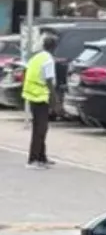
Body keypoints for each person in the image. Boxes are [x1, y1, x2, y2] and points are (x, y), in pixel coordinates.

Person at [22, 30, 58, 168]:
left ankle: (42, 157)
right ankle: (33, 160)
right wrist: (55, 102)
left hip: (31, 95)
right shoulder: (48, 60)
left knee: (40, 128)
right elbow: (49, 82)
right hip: (40, 97)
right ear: (54, 46)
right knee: (40, 129)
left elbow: (26, 71)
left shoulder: (37, 57)